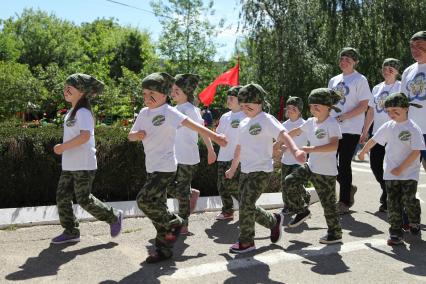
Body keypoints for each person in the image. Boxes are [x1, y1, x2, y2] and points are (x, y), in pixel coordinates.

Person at [128, 72, 227, 263]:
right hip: (152, 167)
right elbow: (131, 134)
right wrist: (136, 135)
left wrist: (216, 139)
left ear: (164, 94)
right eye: (144, 94)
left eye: (152, 94)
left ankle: (176, 222)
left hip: (166, 167)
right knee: (158, 206)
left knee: (144, 200)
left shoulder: (170, 112)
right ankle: (163, 250)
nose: (147, 98)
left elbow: (197, 127)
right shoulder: (143, 113)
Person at [225, 83, 305, 253]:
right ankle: (273, 221)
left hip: (262, 170)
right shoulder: (243, 122)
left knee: (246, 203)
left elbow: (283, 134)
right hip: (245, 170)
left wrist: (296, 150)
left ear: (260, 102)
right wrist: (233, 168)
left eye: (249, 105)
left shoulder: (266, 119)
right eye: (243, 105)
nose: (246, 108)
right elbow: (239, 147)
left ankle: (246, 241)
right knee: (247, 204)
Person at [52, 73, 123, 244]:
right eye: (65, 87)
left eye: (70, 87)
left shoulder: (83, 112)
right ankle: (71, 231)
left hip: (83, 164)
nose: (66, 90)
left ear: (82, 92)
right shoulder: (71, 112)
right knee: (62, 197)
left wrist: (62, 147)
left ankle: (113, 216)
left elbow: (85, 136)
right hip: (70, 164)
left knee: (84, 200)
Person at [358, 93, 424, 245]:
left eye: (396, 111)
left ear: (406, 108)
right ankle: (395, 232)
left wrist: (401, 168)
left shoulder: (413, 128)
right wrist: (363, 152)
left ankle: (414, 221)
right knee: (393, 202)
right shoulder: (388, 126)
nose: (391, 114)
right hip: (390, 173)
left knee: (409, 200)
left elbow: (416, 151)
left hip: (409, 173)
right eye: (388, 111)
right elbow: (374, 140)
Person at [284, 88, 343, 244]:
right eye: (312, 105)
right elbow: (295, 131)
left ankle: (335, 233)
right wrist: (279, 141)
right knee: (289, 181)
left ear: (328, 107)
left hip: (326, 172)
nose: (313, 108)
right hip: (311, 166)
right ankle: (302, 211)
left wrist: (312, 149)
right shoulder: (311, 122)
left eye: (318, 105)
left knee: (328, 204)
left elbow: (334, 146)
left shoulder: (332, 123)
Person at [168, 73, 216, 234]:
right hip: (173, 156)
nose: (172, 93)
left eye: (177, 90)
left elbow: (203, 131)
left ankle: (183, 225)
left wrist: (211, 150)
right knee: (166, 185)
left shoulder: (191, 110)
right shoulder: (173, 109)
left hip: (188, 157)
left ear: (186, 93)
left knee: (181, 192)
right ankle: (191, 193)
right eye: (172, 90)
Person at [328, 47, 372, 214]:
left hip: (350, 129)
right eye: (342, 58)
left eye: (348, 59)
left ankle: (344, 201)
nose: (344, 61)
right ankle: (349, 186)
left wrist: (344, 117)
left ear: (355, 62)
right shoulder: (333, 80)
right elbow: (329, 103)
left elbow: (364, 106)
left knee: (344, 163)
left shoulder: (360, 80)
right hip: (333, 127)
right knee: (330, 161)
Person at [360, 58, 401, 212]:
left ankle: (390, 198)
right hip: (378, 132)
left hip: (395, 132)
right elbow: (371, 110)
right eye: (385, 68)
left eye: (391, 68)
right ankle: (387, 190)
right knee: (375, 164)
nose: (387, 70)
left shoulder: (401, 87)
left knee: (391, 166)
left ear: (397, 72)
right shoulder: (377, 88)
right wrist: (364, 131)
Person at [273, 96, 310, 223]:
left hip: (298, 160)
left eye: (293, 108)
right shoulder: (283, 125)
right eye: (288, 108)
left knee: (295, 184)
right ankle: (288, 206)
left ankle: (304, 199)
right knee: (284, 185)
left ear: (299, 110)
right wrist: (280, 148)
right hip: (286, 160)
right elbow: (279, 142)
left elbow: (305, 142)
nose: (290, 110)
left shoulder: (304, 124)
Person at [215, 86, 245, 220]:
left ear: (240, 100)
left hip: (238, 158)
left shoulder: (246, 115)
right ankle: (228, 211)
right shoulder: (225, 116)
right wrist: (219, 136)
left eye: (232, 98)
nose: (228, 100)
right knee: (221, 185)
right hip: (223, 156)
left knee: (232, 185)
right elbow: (218, 132)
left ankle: (248, 208)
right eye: (228, 98)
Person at [400, 31, 426, 171]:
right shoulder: (408, 71)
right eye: (412, 46)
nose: (415, 50)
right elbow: (402, 102)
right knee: (409, 170)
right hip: (413, 129)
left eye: (420, 45)